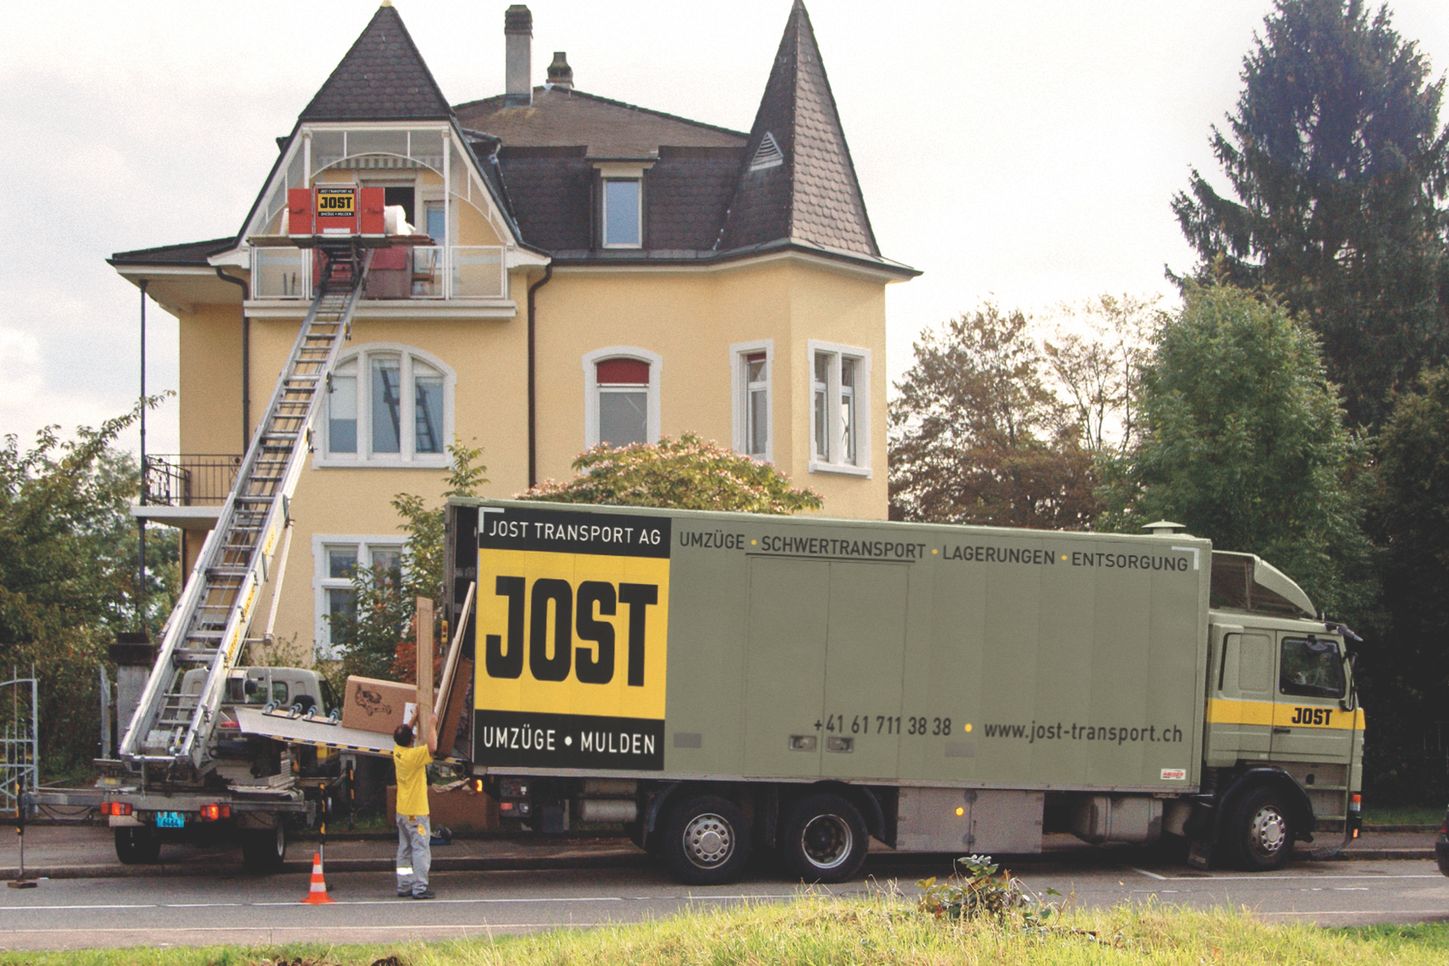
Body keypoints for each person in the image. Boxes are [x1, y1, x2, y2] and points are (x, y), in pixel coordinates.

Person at [392, 709, 438, 899]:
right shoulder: (414, 757)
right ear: (411, 740)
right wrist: (432, 724)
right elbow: (432, 747)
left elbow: (403, 735)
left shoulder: (398, 752)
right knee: (420, 849)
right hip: (416, 812)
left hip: (402, 811)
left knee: (404, 849)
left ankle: (404, 885)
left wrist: (413, 718)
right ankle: (420, 888)